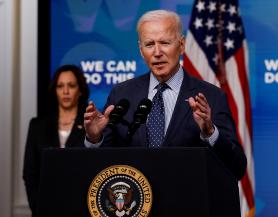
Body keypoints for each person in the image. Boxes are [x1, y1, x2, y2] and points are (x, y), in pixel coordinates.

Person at [84, 10, 247, 180]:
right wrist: (95, 139)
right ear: (141, 50)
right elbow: (102, 166)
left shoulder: (211, 96)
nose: (157, 52)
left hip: (187, 203)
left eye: (164, 42)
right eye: (149, 44)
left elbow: (237, 167)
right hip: (136, 202)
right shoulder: (122, 94)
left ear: (182, 45)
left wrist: (210, 132)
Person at [23, 64, 90, 216]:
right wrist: (38, 206)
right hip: (45, 208)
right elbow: (30, 173)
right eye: (60, 86)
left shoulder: (91, 125)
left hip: (81, 208)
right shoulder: (37, 126)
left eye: (71, 86)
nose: (65, 91)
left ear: (80, 90)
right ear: (55, 90)